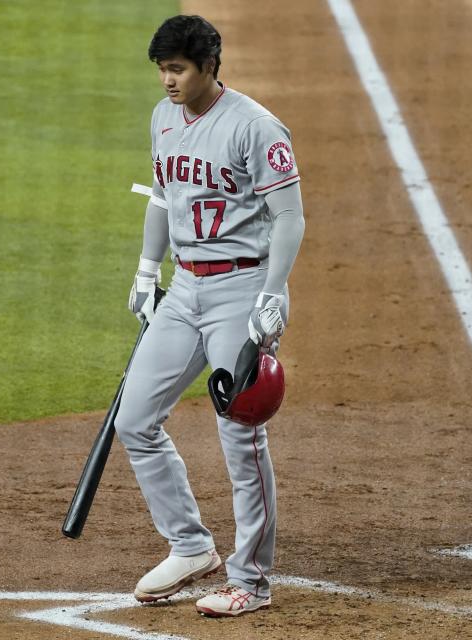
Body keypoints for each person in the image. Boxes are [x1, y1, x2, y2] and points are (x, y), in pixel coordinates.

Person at [113, 14, 306, 618]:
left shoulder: (254, 127)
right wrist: (148, 271)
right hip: (185, 288)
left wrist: (273, 293)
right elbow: (164, 196)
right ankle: (191, 546)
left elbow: (289, 216)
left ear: (208, 67)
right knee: (135, 419)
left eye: (177, 69)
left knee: (241, 433)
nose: (167, 81)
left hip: (240, 289)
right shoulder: (162, 116)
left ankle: (250, 579)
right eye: (162, 70)